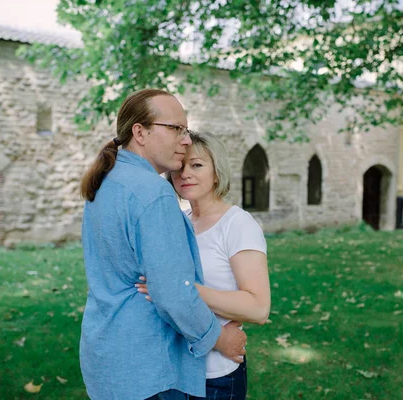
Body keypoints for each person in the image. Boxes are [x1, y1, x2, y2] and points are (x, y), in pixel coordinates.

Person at [79, 89, 246, 400]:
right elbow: (173, 293)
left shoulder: (107, 181)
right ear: (140, 132)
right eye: (176, 128)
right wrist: (220, 340)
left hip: (105, 357)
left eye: (186, 129)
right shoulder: (153, 193)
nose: (185, 139)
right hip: (147, 367)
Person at [136, 131, 271, 400]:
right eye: (180, 166)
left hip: (215, 375)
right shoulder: (178, 221)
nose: (185, 173)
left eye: (197, 165)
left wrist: (180, 291)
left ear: (217, 172)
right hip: (173, 370)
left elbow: (258, 308)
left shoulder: (238, 225)